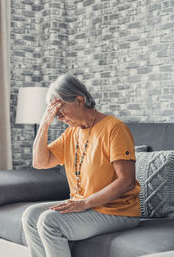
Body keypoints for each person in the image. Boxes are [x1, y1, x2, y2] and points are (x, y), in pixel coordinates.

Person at [22, 74, 141, 257]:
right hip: (85, 206)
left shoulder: (114, 128)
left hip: (118, 211)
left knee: (49, 221)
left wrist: (85, 203)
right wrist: (44, 124)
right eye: (54, 112)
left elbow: (126, 181)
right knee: (30, 215)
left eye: (60, 109)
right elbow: (39, 162)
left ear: (79, 100)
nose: (58, 117)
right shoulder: (71, 133)